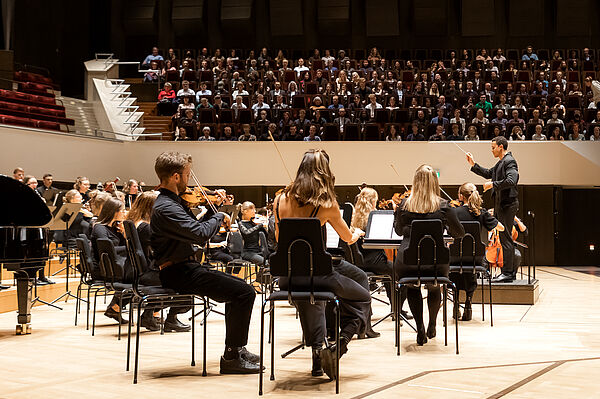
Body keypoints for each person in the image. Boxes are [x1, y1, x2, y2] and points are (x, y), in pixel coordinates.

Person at [150, 152, 259, 374]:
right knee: (245, 292)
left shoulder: (173, 203)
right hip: (178, 272)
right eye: (187, 175)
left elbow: (193, 228)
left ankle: (236, 349)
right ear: (176, 177)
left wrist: (212, 208)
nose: (190, 180)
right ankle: (232, 358)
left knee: (238, 290)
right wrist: (218, 215)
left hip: (187, 268)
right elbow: (200, 234)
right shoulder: (166, 207)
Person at [273, 149, 371, 380]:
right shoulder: (328, 205)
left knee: (310, 297)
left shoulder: (279, 201)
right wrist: (356, 232)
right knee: (363, 297)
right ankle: (339, 345)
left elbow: (279, 240)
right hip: (318, 273)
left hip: (287, 276)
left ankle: (318, 354)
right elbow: (347, 238)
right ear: (324, 173)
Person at [393, 165, 465, 345]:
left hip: (408, 262)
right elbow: (459, 233)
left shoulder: (404, 205)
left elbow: (399, 231)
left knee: (412, 287)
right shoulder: (444, 206)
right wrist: (445, 226)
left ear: (415, 182)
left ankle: (420, 328)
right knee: (434, 286)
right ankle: (432, 323)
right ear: (435, 183)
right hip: (436, 262)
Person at [127, 191, 190, 332]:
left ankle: (149, 315)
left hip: (142, 270)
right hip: (147, 273)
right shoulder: (145, 227)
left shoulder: (138, 223)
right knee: (188, 281)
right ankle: (171, 319)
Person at [351, 187, 412, 321]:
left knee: (391, 272)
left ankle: (395, 308)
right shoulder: (374, 216)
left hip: (359, 261)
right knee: (403, 273)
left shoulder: (354, 216)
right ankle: (397, 309)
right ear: (373, 201)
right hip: (375, 261)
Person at [466, 136, 519, 282]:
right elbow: (489, 173)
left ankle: (507, 273)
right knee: (504, 238)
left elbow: (512, 180)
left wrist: (493, 184)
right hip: (502, 205)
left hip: (507, 205)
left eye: (493, 147)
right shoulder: (501, 162)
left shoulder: (510, 161)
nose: (492, 150)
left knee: (505, 238)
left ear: (501, 147)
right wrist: (473, 164)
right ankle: (509, 273)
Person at [449, 183, 502, 321]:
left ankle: (455, 302)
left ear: (461, 196)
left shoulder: (454, 212)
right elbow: (500, 228)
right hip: (475, 259)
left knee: (454, 268)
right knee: (471, 268)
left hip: (456, 258)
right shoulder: (482, 213)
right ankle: (468, 302)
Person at [90, 197, 131, 324]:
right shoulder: (99, 228)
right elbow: (108, 250)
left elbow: (122, 247)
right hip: (103, 268)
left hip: (114, 265)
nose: (124, 213)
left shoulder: (115, 228)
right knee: (138, 276)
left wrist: (124, 234)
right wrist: (128, 247)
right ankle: (114, 307)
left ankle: (115, 307)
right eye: (122, 210)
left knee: (138, 275)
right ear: (113, 211)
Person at [23, 175, 55, 285]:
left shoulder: (37, 194)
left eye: (36, 183)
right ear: (26, 185)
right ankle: (32, 277)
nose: (35, 185)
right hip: (28, 229)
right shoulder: (23, 195)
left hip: (40, 227)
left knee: (42, 252)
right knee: (32, 254)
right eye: (32, 183)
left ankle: (42, 276)